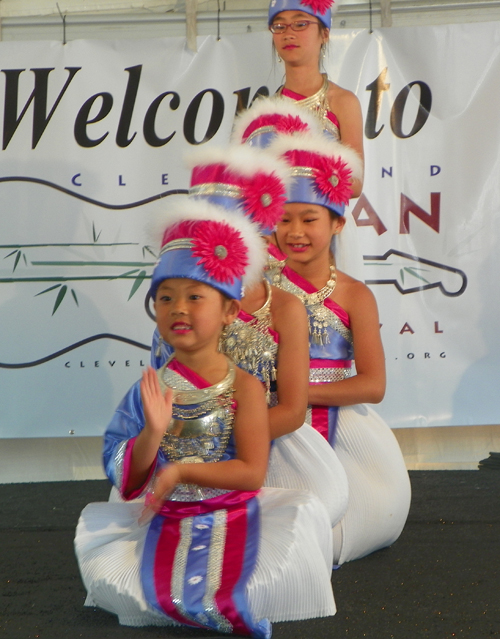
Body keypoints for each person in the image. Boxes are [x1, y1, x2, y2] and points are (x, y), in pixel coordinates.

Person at [74, 200, 336, 635]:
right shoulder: (153, 387)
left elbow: (252, 471)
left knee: (266, 572)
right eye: (166, 298)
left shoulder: (246, 387)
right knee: (127, 587)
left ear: (229, 312)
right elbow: (126, 468)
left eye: (195, 297)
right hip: (163, 513)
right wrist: (153, 434)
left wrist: (179, 470)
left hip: (230, 513)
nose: (179, 309)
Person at [152, 144, 349, 527]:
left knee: (300, 522)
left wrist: (227, 446)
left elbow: (293, 408)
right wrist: (183, 447)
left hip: (270, 448)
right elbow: (159, 388)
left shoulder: (286, 308)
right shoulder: (181, 306)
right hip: (183, 443)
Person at [268, 130, 411, 565]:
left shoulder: (355, 295)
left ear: (337, 223)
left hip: (339, 427)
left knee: (332, 530)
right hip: (271, 419)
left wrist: (298, 395)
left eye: (309, 219)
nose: (295, 232)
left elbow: (373, 385)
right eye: (285, 219)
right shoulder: (258, 292)